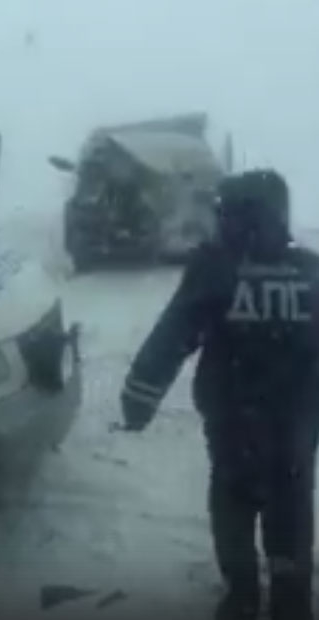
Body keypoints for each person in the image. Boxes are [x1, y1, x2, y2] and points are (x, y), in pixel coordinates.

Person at [117, 169, 319, 620]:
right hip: (297, 421)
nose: (216, 221)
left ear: (240, 218)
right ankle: (291, 597)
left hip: (233, 417)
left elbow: (173, 335)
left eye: (224, 213)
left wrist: (139, 397)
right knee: (291, 504)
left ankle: (242, 593)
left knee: (233, 503)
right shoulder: (311, 271)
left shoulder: (214, 269)